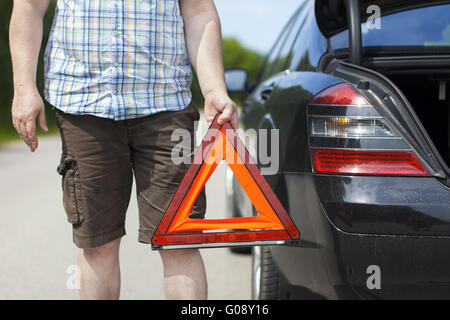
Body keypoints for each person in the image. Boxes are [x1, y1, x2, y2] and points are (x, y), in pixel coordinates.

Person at [9, 0, 238, 300]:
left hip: (165, 105)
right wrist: (25, 88)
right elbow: (29, 6)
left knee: (179, 239)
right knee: (97, 242)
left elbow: (199, 12)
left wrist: (213, 89)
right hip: (83, 108)